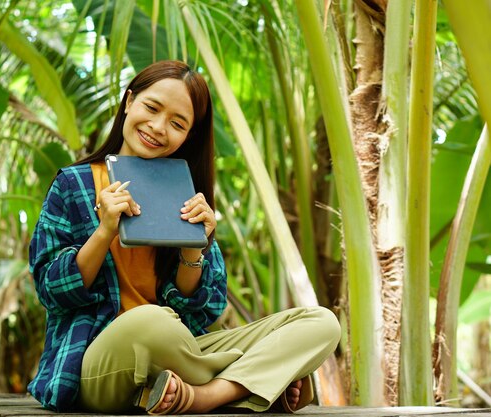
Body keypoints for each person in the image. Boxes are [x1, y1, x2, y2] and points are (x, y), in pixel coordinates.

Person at [28, 60, 341, 414]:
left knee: (321, 323)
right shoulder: (74, 184)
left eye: (177, 124)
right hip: (100, 363)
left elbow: (204, 311)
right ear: (129, 101)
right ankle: (248, 382)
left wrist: (194, 248)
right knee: (153, 322)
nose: (158, 127)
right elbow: (50, 290)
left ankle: (200, 396)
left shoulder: (187, 195)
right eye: (151, 107)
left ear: (189, 135)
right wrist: (104, 232)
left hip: (179, 353)